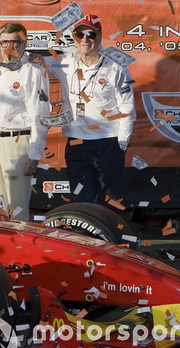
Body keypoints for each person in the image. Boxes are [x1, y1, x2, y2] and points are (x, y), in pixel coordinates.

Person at [50, 14, 136, 206]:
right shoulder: (64, 62)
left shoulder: (116, 67)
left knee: (109, 203)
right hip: (77, 144)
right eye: (80, 34)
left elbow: (128, 110)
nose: (85, 39)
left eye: (91, 34)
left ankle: (109, 236)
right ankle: (84, 237)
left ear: (99, 37)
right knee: (81, 203)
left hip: (108, 143)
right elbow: (31, 63)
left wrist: (120, 145)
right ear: (74, 37)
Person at [0, 23, 51, 220]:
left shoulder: (34, 71)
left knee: (17, 208)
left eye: (16, 42)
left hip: (18, 143)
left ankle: (19, 248)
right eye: (5, 42)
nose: (11, 47)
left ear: (25, 44)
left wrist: (34, 154)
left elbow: (41, 115)